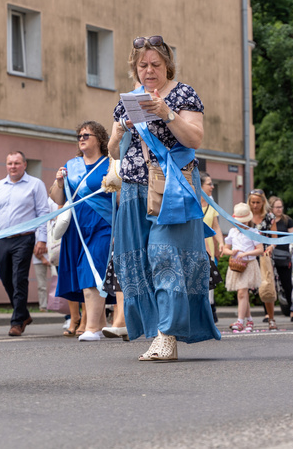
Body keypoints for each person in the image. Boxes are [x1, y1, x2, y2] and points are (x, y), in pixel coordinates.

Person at [108, 35, 220, 361]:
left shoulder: (184, 94)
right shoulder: (128, 99)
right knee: (138, 263)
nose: (149, 70)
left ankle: (168, 335)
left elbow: (195, 138)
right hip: (132, 190)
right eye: (142, 65)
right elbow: (114, 152)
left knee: (164, 255)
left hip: (171, 186)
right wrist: (118, 131)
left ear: (167, 65)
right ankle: (156, 331)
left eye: (155, 64)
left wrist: (168, 113)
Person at [50, 121, 113, 342]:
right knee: (85, 272)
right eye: (79, 136)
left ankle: (92, 327)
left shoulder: (110, 163)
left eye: (87, 134)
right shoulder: (71, 164)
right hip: (76, 227)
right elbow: (58, 198)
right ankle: (103, 324)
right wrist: (59, 182)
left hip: (102, 225)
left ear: (100, 139)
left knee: (91, 269)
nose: (82, 138)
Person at [0, 150, 49, 336]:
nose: (13, 167)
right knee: (5, 277)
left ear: (24, 165)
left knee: (19, 278)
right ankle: (24, 313)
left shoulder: (35, 185)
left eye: (17, 163)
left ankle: (17, 321)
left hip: (25, 238)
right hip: (2, 239)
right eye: (10, 163)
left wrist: (42, 239)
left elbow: (43, 212)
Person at [223, 203, 264, 332]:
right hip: (237, 265)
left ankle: (240, 321)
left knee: (242, 292)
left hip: (249, 265)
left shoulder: (253, 232)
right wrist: (231, 252)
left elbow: (260, 249)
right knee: (242, 293)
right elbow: (225, 248)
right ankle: (249, 320)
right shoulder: (232, 232)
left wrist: (247, 253)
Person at [249, 188, 279, 330]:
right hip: (249, 255)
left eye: (258, 202)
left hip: (264, 256)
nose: (255, 205)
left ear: (263, 202)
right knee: (245, 288)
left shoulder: (269, 217)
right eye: (253, 202)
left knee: (267, 286)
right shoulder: (245, 217)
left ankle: (271, 318)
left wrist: (271, 248)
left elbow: (275, 238)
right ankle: (246, 319)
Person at [201, 173, 223, 324]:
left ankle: (210, 317)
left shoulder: (211, 205)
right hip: (198, 249)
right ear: (201, 186)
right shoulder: (193, 203)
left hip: (210, 252)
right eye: (209, 184)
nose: (212, 186)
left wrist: (221, 243)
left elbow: (216, 226)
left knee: (210, 286)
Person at [268, 196, 293, 319]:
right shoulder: (268, 220)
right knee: (269, 284)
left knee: (287, 284)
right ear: (271, 208)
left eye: (281, 207)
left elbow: (292, 237)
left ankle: (292, 309)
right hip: (270, 255)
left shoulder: (287, 220)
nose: (279, 209)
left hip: (284, 256)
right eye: (277, 207)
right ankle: (268, 313)